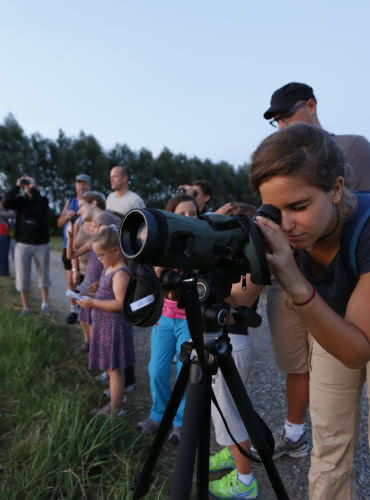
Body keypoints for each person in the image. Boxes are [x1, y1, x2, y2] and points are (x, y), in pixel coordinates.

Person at [250, 123, 370, 500]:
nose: (285, 225)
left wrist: (295, 283)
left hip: (353, 332)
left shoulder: (366, 229)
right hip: (336, 323)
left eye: (298, 206)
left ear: (336, 190)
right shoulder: (287, 232)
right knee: (330, 442)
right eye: (274, 209)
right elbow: (239, 298)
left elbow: (356, 351)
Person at [207, 203, 262, 500]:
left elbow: (235, 303)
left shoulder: (253, 265)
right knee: (221, 411)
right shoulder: (229, 260)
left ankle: (245, 481)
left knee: (232, 415)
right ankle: (232, 454)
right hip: (222, 342)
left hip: (234, 344)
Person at [137, 194, 198, 444]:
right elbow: (148, 280)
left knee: (185, 370)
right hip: (164, 317)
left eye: (192, 213)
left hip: (189, 319)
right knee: (157, 369)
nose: (188, 218)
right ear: (171, 214)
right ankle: (158, 414)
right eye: (182, 213)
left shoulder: (199, 245)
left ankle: (180, 422)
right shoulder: (161, 244)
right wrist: (159, 267)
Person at [78, 225, 135, 416]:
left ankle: (115, 407)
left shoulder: (120, 273)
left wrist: (93, 302)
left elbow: (120, 304)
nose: (99, 259)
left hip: (114, 327)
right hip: (105, 325)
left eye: (101, 255)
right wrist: (98, 288)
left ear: (116, 251)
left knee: (114, 368)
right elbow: (108, 291)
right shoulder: (109, 267)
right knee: (111, 369)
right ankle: (117, 397)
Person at [3, 175, 51, 315]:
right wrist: (17, 186)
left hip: (41, 244)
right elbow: (6, 203)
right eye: (27, 184)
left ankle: (45, 305)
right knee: (22, 276)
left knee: (44, 276)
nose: (29, 185)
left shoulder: (43, 200)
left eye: (31, 183)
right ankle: (26, 307)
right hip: (22, 244)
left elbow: (39, 207)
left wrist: (32, 188)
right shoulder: (20, 201)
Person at [57, 173, 91, 324]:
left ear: (89, 186)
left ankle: (87, 310)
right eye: (79, 183)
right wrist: (66, 216)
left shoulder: (91, 202)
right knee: (71, 280)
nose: (81, 186)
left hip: (85, 248)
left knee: (86, 280)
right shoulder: (69, 202)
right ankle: (73, 310)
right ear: (75, 185)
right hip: (68, 247)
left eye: (84, 183)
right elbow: (59, 223)